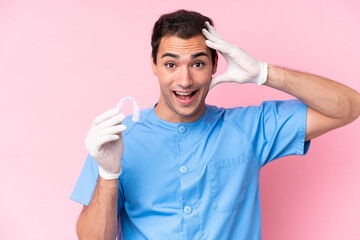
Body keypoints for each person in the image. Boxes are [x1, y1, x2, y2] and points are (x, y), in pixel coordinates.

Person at [71, 9, 360, 240]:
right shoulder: (117, 140)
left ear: (214, 65)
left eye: (197, 64)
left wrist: (263, 73)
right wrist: (109, 173)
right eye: (171, 64)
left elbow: (347, 107)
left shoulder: (250, 128)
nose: (185, 81)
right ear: (154, 65)